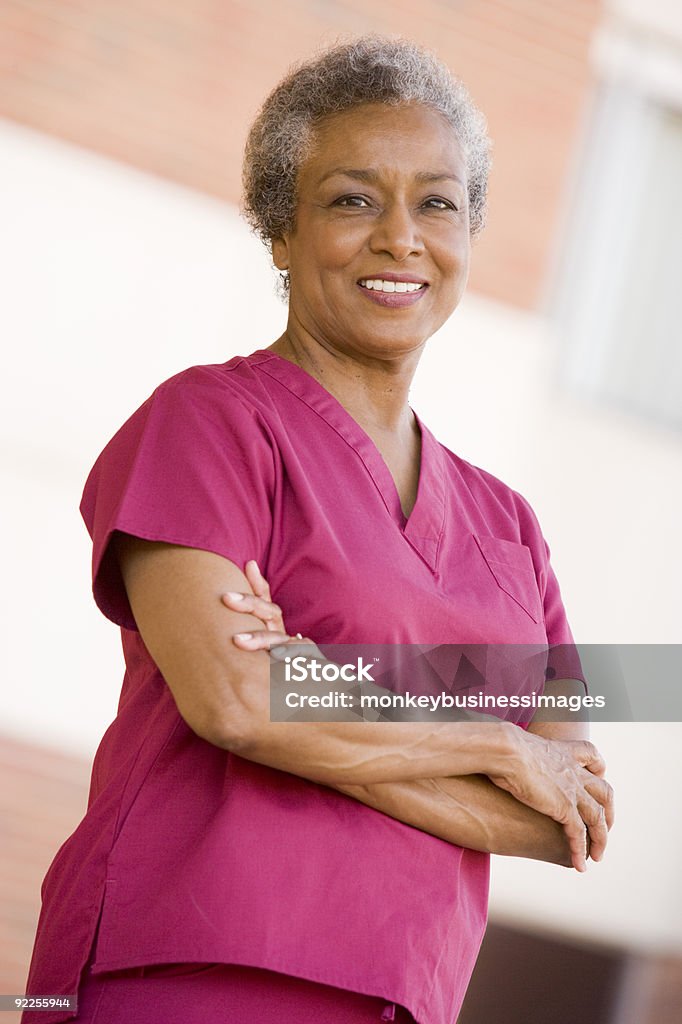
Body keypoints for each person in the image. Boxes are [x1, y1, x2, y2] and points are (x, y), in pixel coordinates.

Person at [22, 36, 614, 1024]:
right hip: (185, 971)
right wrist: (494, 746)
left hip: (401, 993)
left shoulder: (511, 527)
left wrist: (310, 691)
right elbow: (235, 700)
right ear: (280, 232)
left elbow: (569, 819)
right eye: (351, 198)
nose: (400, 236)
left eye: (437, 201)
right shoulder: (210, 422)